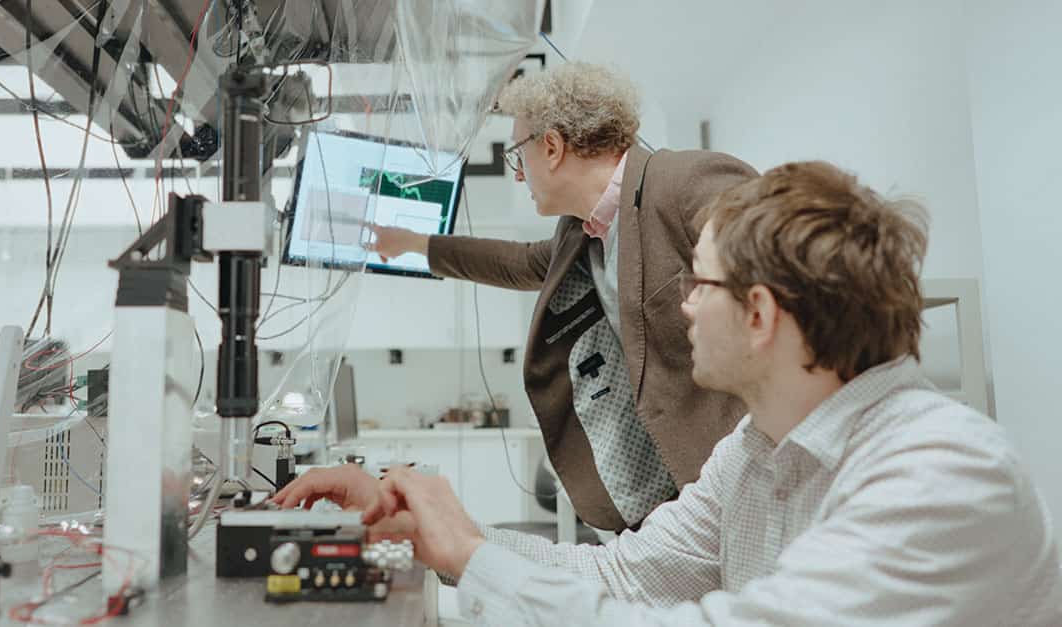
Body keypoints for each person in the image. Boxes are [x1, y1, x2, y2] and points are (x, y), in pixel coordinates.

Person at [278, 161, 1062, 625]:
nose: (681, 302)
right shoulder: (754, 450)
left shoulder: (943, 473)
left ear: (759, 315)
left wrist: (475, 556)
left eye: (699, 283)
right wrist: (434, 530)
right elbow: (622, 575)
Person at [366, 62, 757, 530]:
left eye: (517, 157)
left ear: (550, 147)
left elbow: (784, 279)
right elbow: (520, 262)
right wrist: (413, 244)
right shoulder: (583, 232)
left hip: (746, 473)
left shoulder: (683, 182)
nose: (517, 176)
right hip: (682, 497)